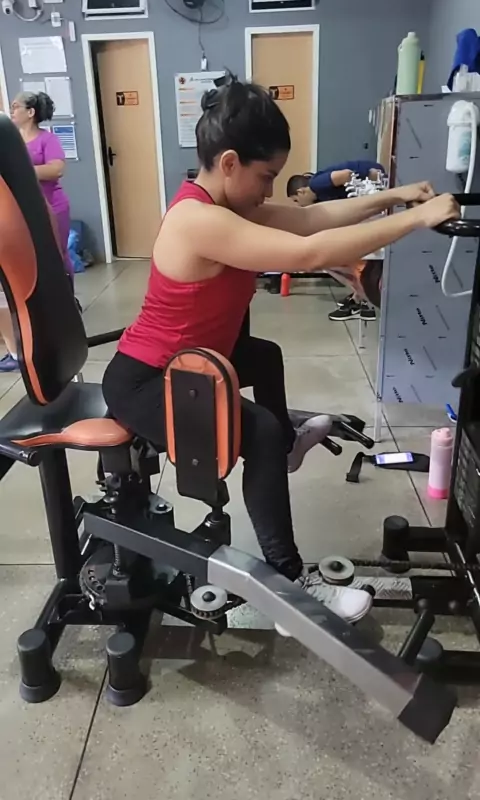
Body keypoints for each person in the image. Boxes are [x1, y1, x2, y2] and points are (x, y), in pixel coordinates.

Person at [102, 76, 459, 631]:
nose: (270, 191)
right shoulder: (198, 220)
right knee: (261, 433)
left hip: (196, 363)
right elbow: (309, 251)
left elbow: (310, 219)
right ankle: (291, 587)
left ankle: (287, 449)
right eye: (266, 176)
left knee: (263, 355)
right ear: (229, 163)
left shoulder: (224, 205)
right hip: (148, 380)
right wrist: (415, 219)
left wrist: (394, 196)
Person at [0, 91, 73, 372]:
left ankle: (66, 307)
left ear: (31, 112)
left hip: (52, 207)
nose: (12, 111)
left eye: (16, 106)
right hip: (22, 212)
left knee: (58, 257)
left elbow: (56, 169)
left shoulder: (46, 139)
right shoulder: (12, 142)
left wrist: (20, 169)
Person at [287, 162, 386, 321]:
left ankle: (363, 300)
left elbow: (347, 174)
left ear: (301, 191)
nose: (299, 205)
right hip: (370, 209)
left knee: (334, 260)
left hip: (376, 189)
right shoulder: (321, 198)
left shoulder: (316, 183)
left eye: (296, 200)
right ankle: (359, 299)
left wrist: (373, 176)